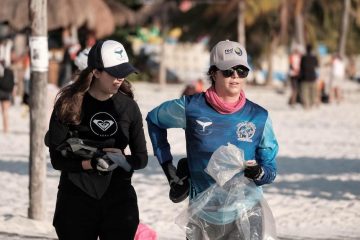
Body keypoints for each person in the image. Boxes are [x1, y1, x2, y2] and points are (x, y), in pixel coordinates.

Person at [146, 40, 279, 239]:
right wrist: (168, 168)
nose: (235, 76)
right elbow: (154, 119)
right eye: (228, 70)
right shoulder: (190, 108)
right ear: (214, 73)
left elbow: (270, 170)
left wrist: (259, 173)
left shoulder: (259, 116)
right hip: (203, 213)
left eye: (242, 71)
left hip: (247, 211)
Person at [46, 40, 148, 240]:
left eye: (123, 72)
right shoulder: (69, 104)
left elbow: (142, 158)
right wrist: (90, 162)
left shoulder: (129, 107)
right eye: (114, 72)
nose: (120, 78)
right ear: (96, 72)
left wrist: (124, 160)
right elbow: (57, 160)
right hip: (76, 197)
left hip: (118, 198)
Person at [299, 44, 319, 109]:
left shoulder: (303, 57)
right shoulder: (314, 57)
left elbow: (301, 67)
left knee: (305, 92)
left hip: (304, 77)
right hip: (313, 77)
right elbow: (317, 66)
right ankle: (311, 104)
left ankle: (306, 105)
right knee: (313, 92)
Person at [0, 60, 14, 133]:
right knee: (6, 112)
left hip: (1, 93)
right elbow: (12, 84)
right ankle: (6, 128)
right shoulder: (11, 72)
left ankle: (5, 127)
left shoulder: (2, 72)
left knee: (3, 111)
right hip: (7, 93)